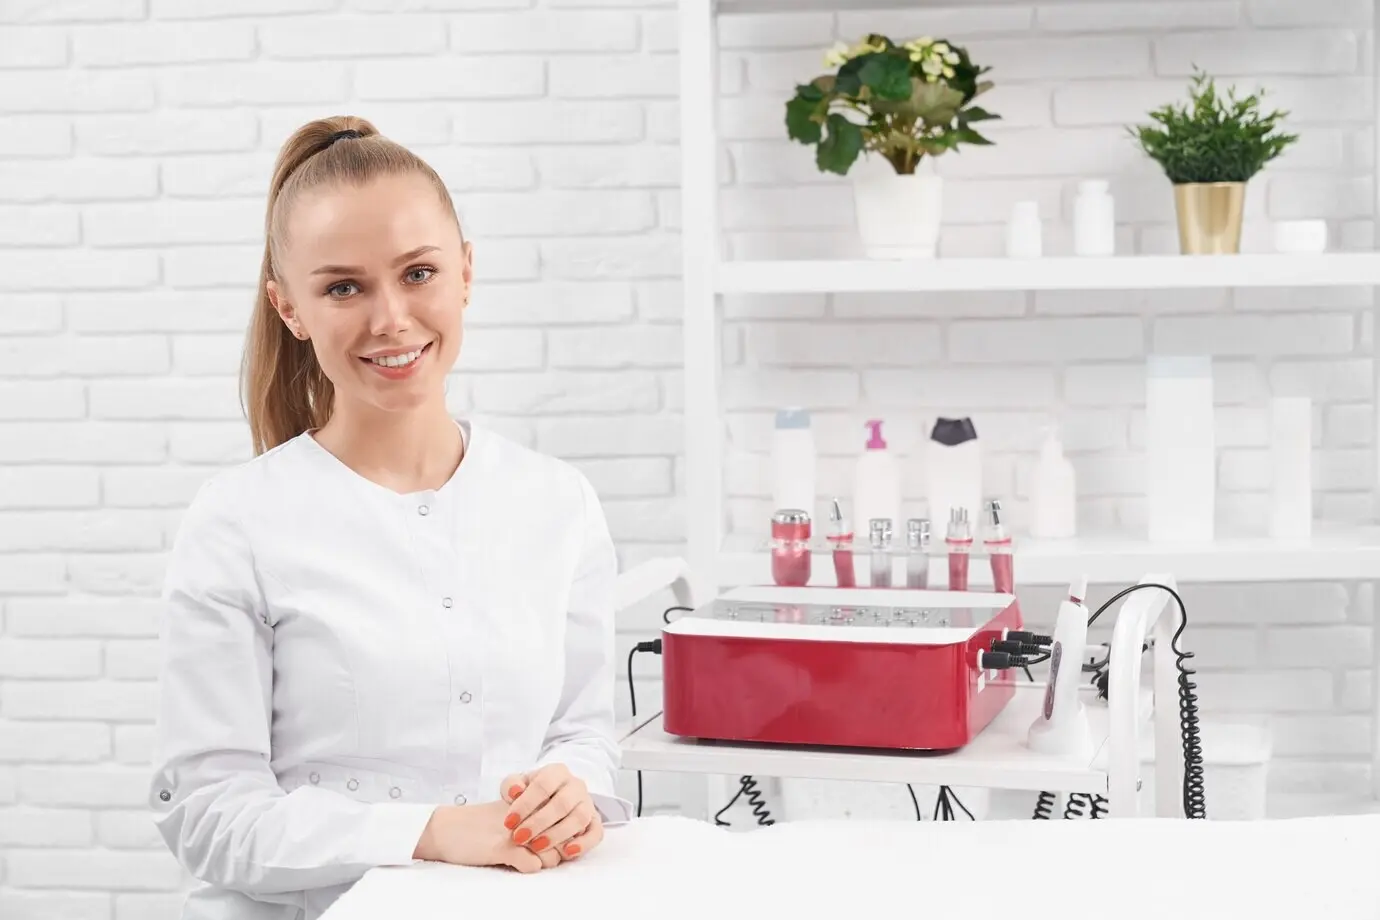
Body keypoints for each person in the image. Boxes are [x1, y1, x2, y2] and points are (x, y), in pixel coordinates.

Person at [148, 115, 631, 920]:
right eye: (344, 287)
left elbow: (581, 736)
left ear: (466, 273)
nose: (391, 320)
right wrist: (432, 832)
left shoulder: (558, 504)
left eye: (419, 273)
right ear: (290, 307)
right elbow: (207, 815)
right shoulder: (238, 523)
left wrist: (572, 796)